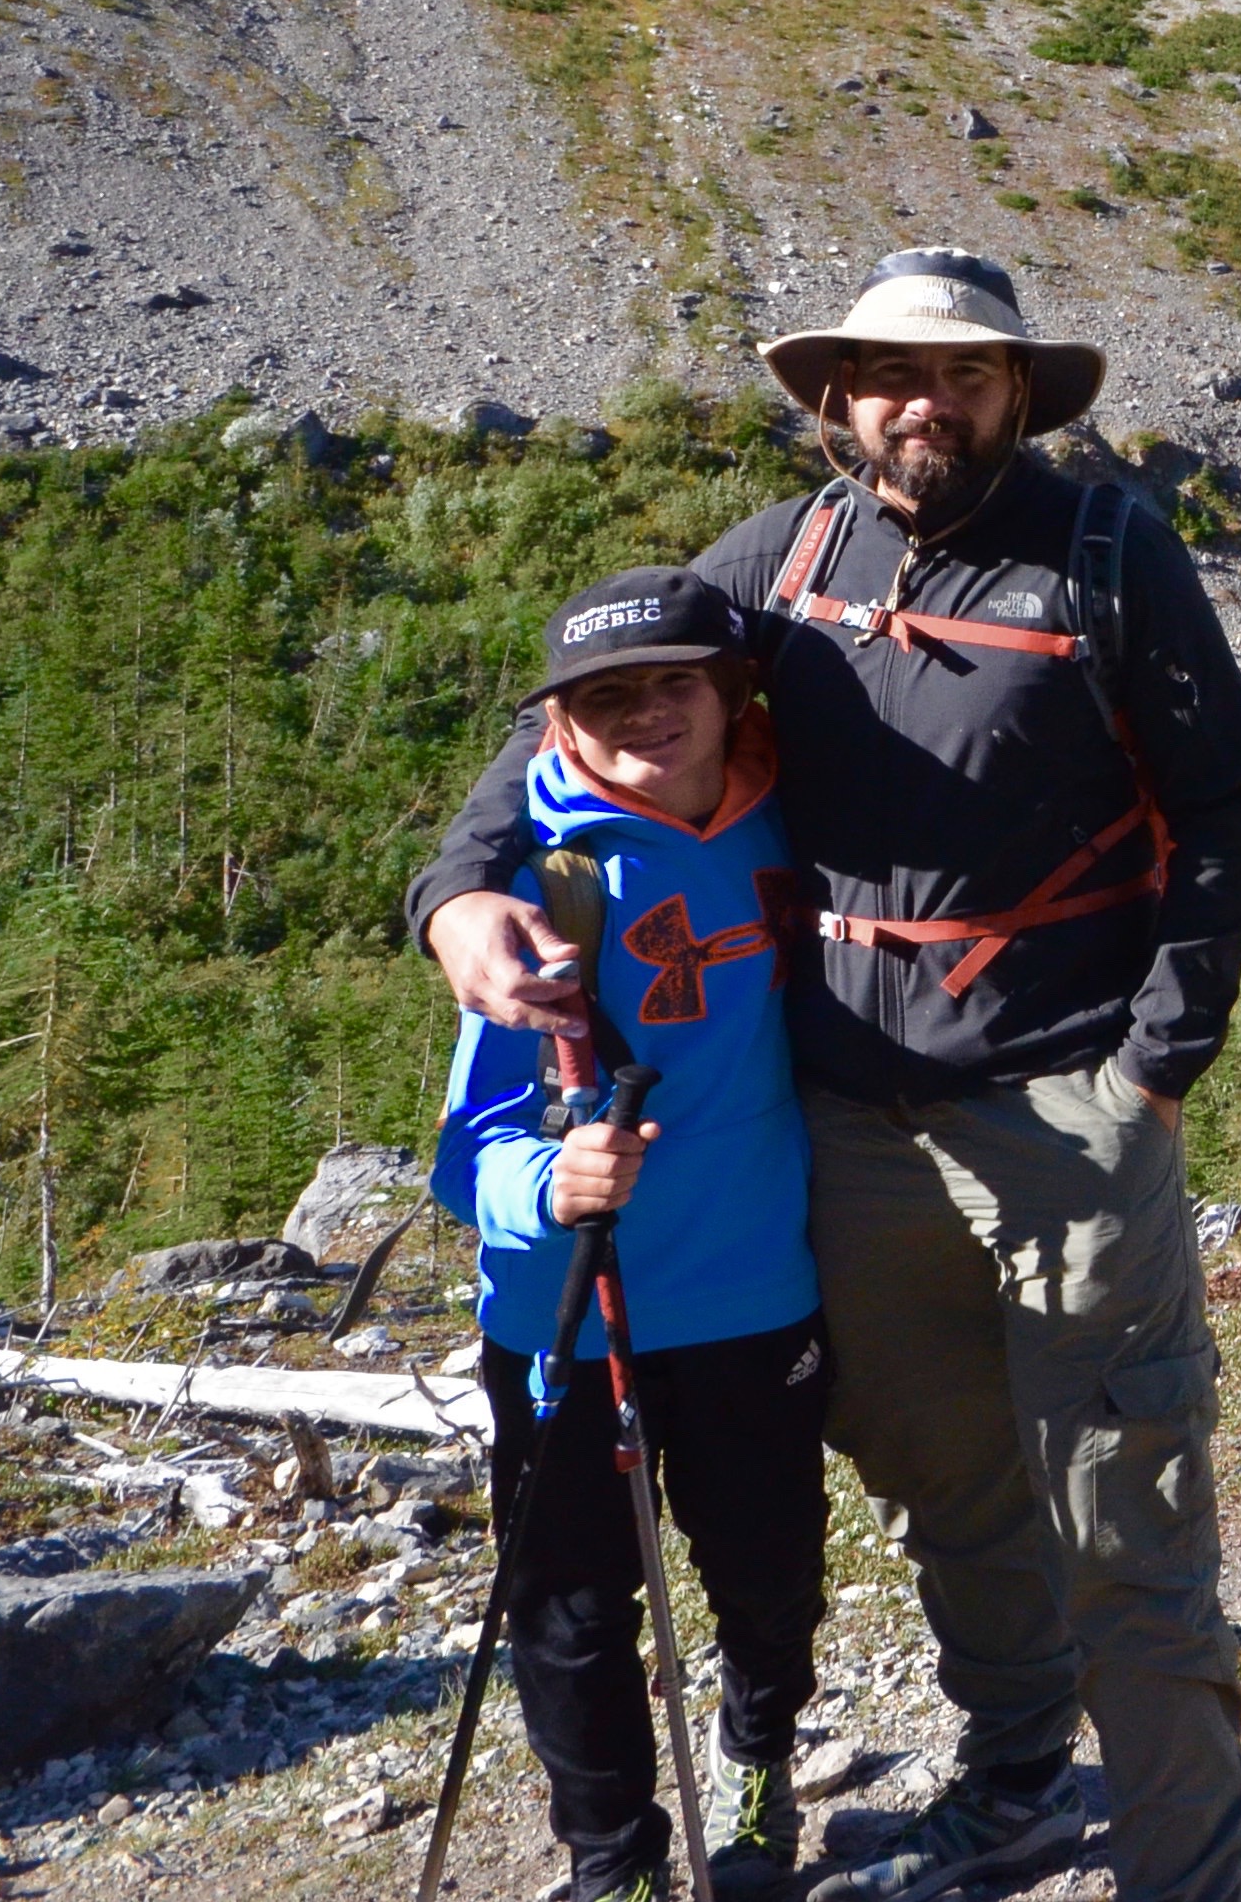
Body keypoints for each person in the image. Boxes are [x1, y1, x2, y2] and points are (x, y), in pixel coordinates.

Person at [412, 252, 1241, 1902]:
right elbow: (579, 719)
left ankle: (1191, 1876)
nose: (921, 403)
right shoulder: (787, 556)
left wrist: (1157, 1068)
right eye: (886, 374)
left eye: (960, 375)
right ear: (836, 398)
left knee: (1125, 1520)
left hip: (1063, 1119)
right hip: (851, 1137)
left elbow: (1227, 807)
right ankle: (1022, 1774)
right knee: (944, 1481)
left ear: (1019, 392)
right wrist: (456, 893)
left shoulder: (1108, 552)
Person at [433, 565, 832, 1902]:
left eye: (674, 684)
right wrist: (548, 1188)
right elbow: (465, 1152)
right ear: (562, 721)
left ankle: (760, 1764)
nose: (646, 716)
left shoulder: (799, 826)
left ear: (731, 695)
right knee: (572, 1616)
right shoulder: (536, 885)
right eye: (607, 696)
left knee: (772, 1578)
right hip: (564, 1315)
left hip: (755, 1287)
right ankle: (617, 1869)